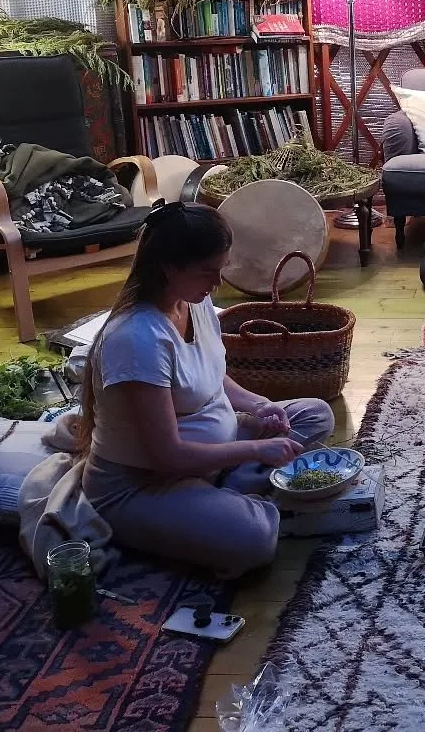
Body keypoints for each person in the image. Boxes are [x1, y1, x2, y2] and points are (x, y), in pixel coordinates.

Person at [78, 201, 335, 576]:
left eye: (221, 269)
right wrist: (255, 448)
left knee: (315, 414)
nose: (217, 282)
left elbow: (211, 376)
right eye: (207, 272)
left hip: (216, 451)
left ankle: (223, 494)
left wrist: (259, 404)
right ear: (168, 267)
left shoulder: (192, 298)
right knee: (254, 539)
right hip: (146, 484)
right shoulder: (137, 339)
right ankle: (228, 501)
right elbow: (167, 457)